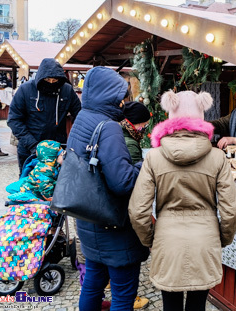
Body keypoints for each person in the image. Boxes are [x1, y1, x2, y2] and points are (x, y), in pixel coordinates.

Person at [129, 90, 236, 311]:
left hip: (167, 239)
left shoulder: (153, 157)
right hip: (205, 239)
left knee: (170, 304)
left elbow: (137, 210)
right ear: (201, 115)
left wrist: (150, 240)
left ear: (171, 114)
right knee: (197, 305)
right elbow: (231, 211)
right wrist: (222, 238)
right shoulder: (218, 157)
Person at [67, 66, 149, 311]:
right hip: (113, 227)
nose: (124, 102)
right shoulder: (109, 126)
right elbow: (122, 182)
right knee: (123, 295)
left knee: (92, 284)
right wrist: (144, 164)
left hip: (88, 221)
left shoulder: (82, 118)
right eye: (121, 95)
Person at [8, 58, 81, 173]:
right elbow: (14, 120)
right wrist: (33, 146)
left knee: (57, 185)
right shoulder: (25, 89)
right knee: (29, 184)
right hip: (30, 148)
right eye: (47, 79)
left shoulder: (66, 90)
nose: (51, 82)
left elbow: (80, 115)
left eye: (55, 80)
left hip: (57, 148)